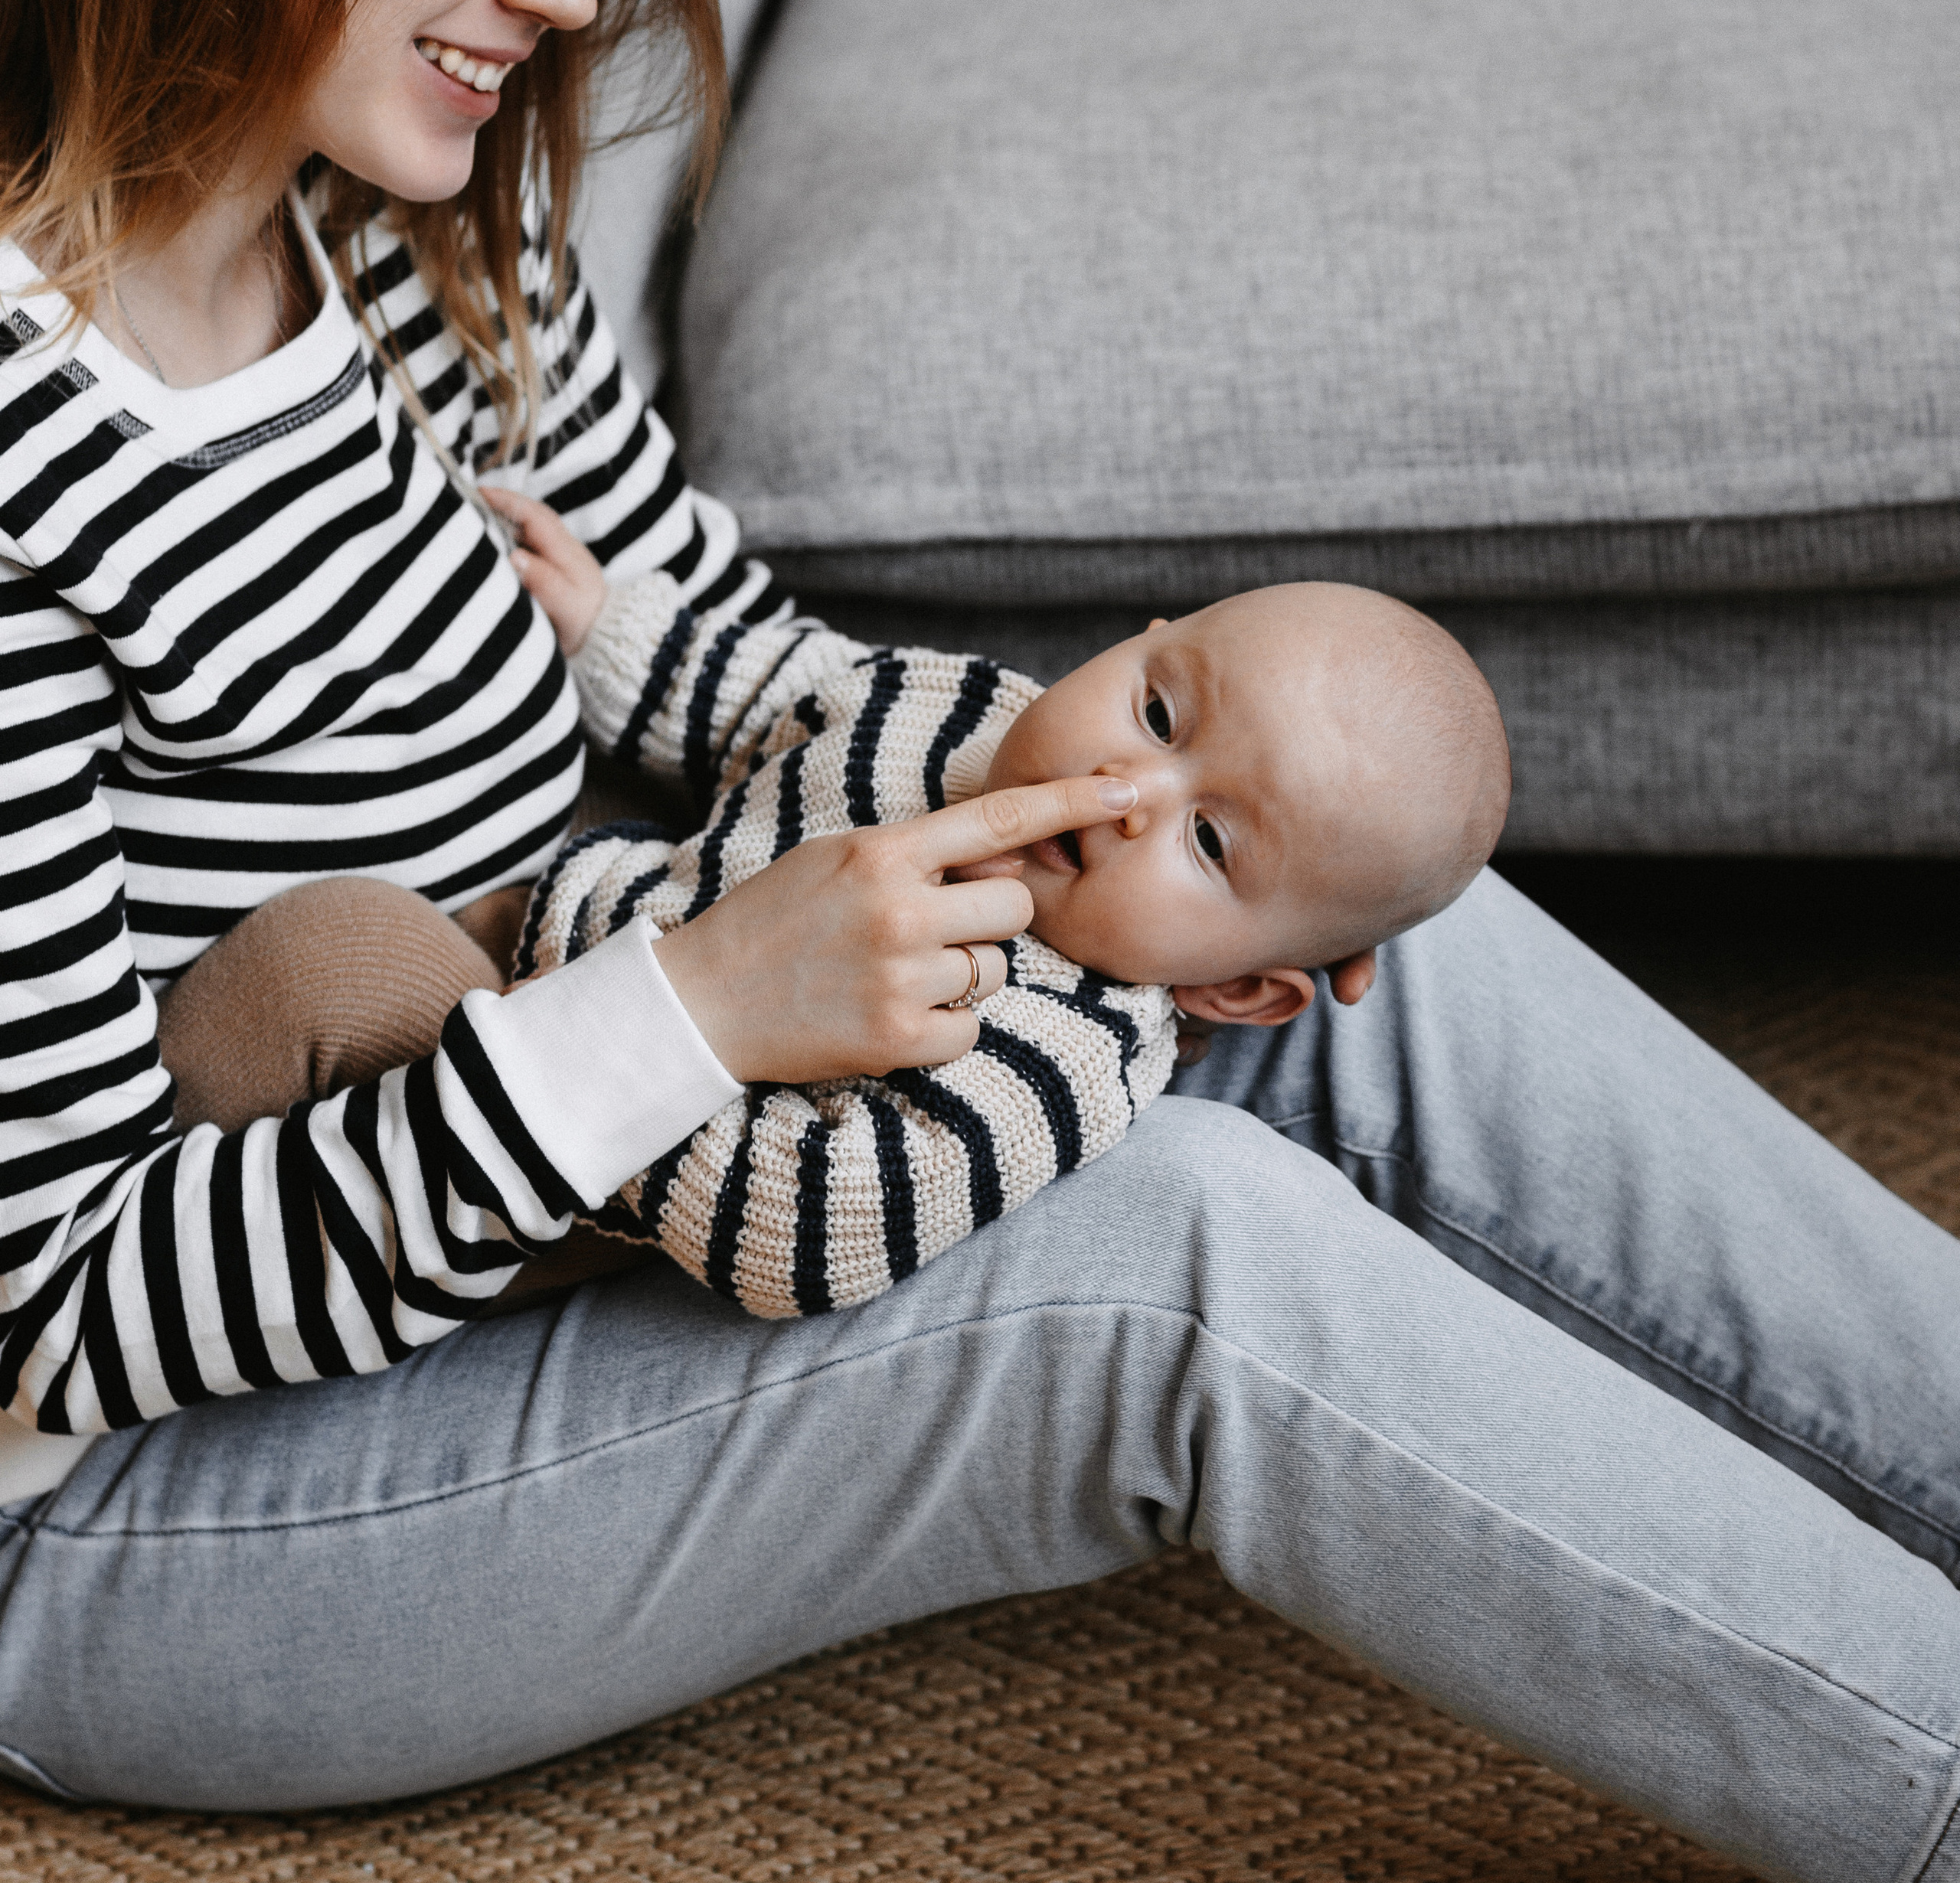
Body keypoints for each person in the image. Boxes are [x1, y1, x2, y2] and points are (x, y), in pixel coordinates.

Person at [5, 0, 1960, 1883]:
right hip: (146, 1515)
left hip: (562, 1152)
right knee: (1157, 1249)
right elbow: (77, 1296)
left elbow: (723, 658)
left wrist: (1065, 795)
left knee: (1325, 871)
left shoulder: (408, 242)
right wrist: (694, 1013)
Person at [165, 534, 1516, 1317]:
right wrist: (606, 629)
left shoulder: (1051, 1052)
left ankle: (135, 1227)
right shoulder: (960, 705)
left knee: (331, 957)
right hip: (552, 925)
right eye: (1160, 712)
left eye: (1210, 842)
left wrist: (637, 1054)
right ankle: (178, 1186)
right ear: (1137, 641)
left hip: (562, 1178)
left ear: (1240, 993)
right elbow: (782, 699)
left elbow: (814, 1229)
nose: (1124, 793)